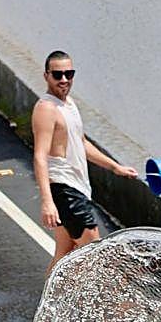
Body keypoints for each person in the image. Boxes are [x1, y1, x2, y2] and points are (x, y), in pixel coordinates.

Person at [31, 50, 139, 276]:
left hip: (77, 186)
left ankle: (49, 307)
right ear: (46, 76)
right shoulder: (46, 109)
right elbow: (40, 156)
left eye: (68, 74)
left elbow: (80, 143)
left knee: (65, 252)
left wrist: (114, 167)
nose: (63, 80)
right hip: (65, 189)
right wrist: (47, 202)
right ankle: (108, 309)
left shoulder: (68, 104)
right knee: (96, 255)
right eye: (57, 75)